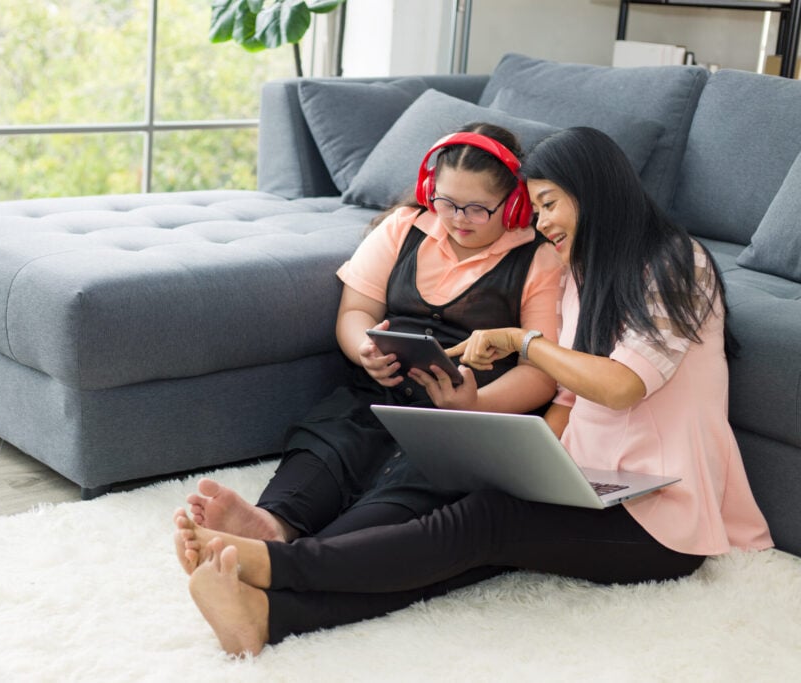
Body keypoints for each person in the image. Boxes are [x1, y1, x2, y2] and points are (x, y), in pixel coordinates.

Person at [173, 126, 773, 657]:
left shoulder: (677, 264)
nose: (541, 224)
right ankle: (271, 617)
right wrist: (530, 461)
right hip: (594, 483)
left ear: (593, 192)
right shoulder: (583, 276)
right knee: (464, 545)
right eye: (535, 208)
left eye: (549, 205)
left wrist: (523, 341)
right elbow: (569, 401)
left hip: (661, 519)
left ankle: (276, 563)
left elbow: (619, 388)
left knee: (485, 523)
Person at [186, 123, 564, 544]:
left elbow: (542, 371)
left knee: (415, 479)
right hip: (378, 396)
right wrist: (362, 347)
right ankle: (272, 524)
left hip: (464, 420)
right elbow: (356, 310)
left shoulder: (538, 258)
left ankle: (317, 555)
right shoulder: (405, 226)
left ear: (512, 204)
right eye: (446, 202)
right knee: (332, 443)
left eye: (477, 208)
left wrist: (475, 403)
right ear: (428, 189)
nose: (458, 219)